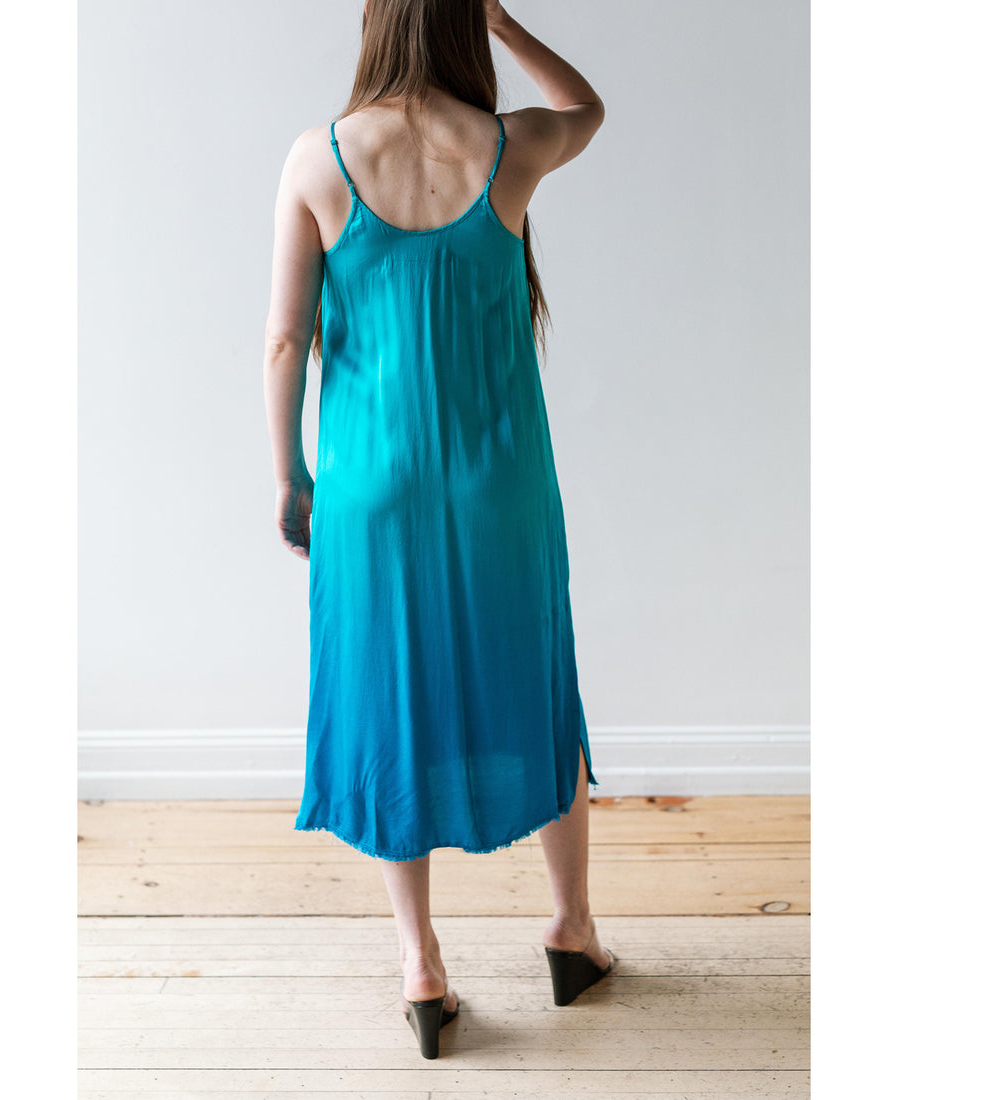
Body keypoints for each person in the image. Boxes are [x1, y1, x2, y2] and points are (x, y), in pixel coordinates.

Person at [263, 0, 613, 1058]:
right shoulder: (508, 147)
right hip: (499, 486)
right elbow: (588, 108)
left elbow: (283, 339)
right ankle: (570, 927)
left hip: (371, 492)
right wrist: (506, 26)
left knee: (388, 702)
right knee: (535, 683)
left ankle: (420, 965)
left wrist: (291, 476)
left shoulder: (318, 158)